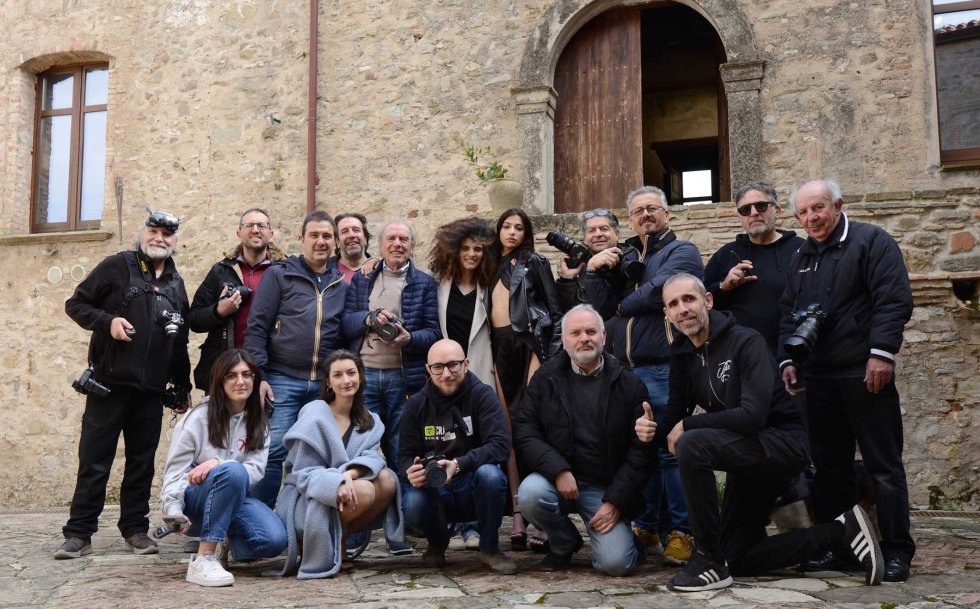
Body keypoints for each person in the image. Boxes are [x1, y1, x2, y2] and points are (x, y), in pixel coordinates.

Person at [641, 273, 881, 591]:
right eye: (673, 304)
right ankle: (842, 531)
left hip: (782, 445)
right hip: (746, 459)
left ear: (707, 301)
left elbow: (752, 416)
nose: (683, 308)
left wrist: (688, 426)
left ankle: (706, 558)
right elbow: (674, 421)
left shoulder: (745, 341)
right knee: (737, 558)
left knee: (693, 443)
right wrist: (651, 431)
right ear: (667, 315)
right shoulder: (683, 355)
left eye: (689, 299)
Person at [779, 179, 915, 582]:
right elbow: (788, 311)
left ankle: (896, 550)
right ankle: (840, 548)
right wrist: (788, 358)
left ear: (838, 205)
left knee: (883, 466)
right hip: (817, 378)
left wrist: (881, 353)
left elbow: (894, 299)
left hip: (865, 372)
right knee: (829, 469)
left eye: (818, 208)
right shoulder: (801, 256)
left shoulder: (872, 242)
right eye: (803, 212)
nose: (811, 218)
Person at [56, 210, 192, 559]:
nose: (159, 238)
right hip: (108, 384)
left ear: (175, 241)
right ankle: (79, 534)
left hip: (150, 391)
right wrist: (108, 321)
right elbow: (76, 304)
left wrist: (181, 386)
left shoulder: (177, 284)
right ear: (142, 234)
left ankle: (135, 530)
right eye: (154, 231)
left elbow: (180, 338)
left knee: (141, 464)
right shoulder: (117, 266)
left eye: (167, 234)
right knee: (94, 461)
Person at [583, 186, 703, 564]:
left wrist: (621, 305)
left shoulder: (681, 250)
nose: (645, 215)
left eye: (652, 208)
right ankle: (648, 524)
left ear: (666, 213)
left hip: (664, 365)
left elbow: (658, 293)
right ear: (630, 219)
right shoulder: (627, 254)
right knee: (639, 449)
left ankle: (682, 531)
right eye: (638, 211)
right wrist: (593, 270)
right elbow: (599, 308)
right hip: (626, 368)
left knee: (670, 449)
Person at [513, 305, 654, 576]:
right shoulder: (546, 378)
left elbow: (641, 453)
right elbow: (524, 430)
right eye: (575, 333)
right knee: (530, 495)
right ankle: (564, 542)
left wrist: (616, 502)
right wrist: (559, 470)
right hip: (557, 481)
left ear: (604, 336)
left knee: (616, 565)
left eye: (591, 331)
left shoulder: (629, 384)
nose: (584, 338)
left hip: (604, 489)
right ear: (564, 340)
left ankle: (628, 542)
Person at [341, 219, 440, 555]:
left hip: (403, 380)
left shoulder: (424, 283)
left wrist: (410, 338)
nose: (398, 244)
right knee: (360, 453)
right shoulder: (363, 278)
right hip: (365, 378)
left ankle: (399, 532)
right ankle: (355, 534)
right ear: (380, 244)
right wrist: (370, 318)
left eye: (405, 239)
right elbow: (346, 323)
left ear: (412, 246)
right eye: (392, 238)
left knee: (401, 452)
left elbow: (434, 335)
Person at [244, 210, 347, 508]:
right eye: (314, 235)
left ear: (335, 242)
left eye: (327, 236)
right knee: (274, 451)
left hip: (323, 386)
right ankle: (259, 526)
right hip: (281, 379)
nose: (321, 241)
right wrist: (259, 375)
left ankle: (302, 523)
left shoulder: (342, 282)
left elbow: (344, 334)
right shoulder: (280, 274)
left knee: (315, 455)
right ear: (301, 239)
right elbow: (257, 326)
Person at [160, 349, 287, 587]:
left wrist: (220, 463)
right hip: (194, 502)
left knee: (274, 540)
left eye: (247, 375)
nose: (241, 381)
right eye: (232, 375)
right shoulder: (197, 418)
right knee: (234, 471)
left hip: (233, 497)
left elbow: (255, 471)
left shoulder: (259, 421)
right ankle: (203, 559)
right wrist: (174, 508)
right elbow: (175, 472)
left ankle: (223, 540)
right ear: (220, 380)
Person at [276, 350, 402, 578]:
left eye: (352, 373)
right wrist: (335, 482)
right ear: (328, 382)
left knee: (387, 480)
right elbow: (303, 472)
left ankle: (337, 538)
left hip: (345, 490)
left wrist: (349, 475)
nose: (346, 380)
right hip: (306, 497)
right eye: (338, 375)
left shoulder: (370, 420)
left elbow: (375, 458)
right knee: (364, 490)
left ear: (361, 377)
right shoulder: (314, 414)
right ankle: (315, 540)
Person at [398, 339, 516, 573]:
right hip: (435, 488)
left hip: (472, 484)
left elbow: (501, 446)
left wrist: (459, 464)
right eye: (438, 367)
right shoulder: (416, 405)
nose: (446, 374)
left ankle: (490, 548)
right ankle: (437, 543)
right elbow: (404, 455)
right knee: (411, 501)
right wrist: (410, 471)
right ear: (428, 369)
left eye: (453, 365)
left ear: (466, 364)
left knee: (491, 475)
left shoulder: (483, 395)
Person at [488, 207, 565, 551]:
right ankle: (518, 515)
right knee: (505, 430)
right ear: (499, 230)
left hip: (529, 344)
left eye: (519, 227)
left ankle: (545, 520)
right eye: (507, 226)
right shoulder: (488, 265)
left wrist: (544, 356)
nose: (512, 232)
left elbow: (554, 311)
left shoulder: (535, 262)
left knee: (531, 426)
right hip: (498, 349)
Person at [428, 216, 497, 549]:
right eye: (466, 248)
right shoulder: (437, 283)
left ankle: (474, 524)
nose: (472, 254)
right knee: (446, 443)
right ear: (454, 251)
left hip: (478, 372)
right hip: (444, 375)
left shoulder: (490, 286)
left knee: (474, 444)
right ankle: (451, 522)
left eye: (478, 249)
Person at [188, 207, 285, 392]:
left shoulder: (285, 272)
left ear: (270, 234)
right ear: (239, 233)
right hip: (226, 368)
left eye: (261, 225)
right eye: (249, 225)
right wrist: (218, 311)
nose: (255, 230)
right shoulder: (221, 271)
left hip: (271, 370)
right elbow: (194, 320)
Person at [703, 182, 805, 354]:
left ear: (777, 210)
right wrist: (723, 287)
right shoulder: (725, 254)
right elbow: (701, 303)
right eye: (745, 210)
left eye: (761, 206)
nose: (754, 213)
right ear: (739, 218)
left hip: (795, 354)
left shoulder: (802, 250)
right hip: (741, 357)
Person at [555, 208, 623, 311]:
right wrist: (567, 280)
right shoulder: (578, 267)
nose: (598, 234)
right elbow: (567, 313)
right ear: (584, 237)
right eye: (592, 230)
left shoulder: (630, 259)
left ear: (617, 234)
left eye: (604, 229)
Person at [334, 212, 373, 283]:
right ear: (337, 242)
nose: (351, 235)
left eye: (356, 230)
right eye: (344, 232)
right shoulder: (325, 271)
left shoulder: (379, 269)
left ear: (365, 238)